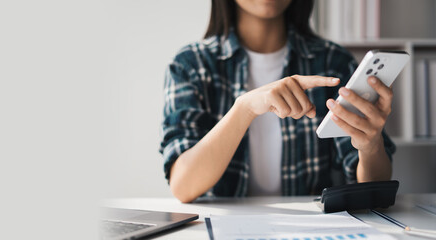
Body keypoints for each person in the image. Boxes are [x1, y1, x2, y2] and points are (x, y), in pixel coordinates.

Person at [159, 0, 396, 203]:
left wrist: (371, 146)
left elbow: (372, 187)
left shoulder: (333, 61)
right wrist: (244, 109)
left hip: (311, 227)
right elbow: (183, 186)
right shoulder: (190, 64)